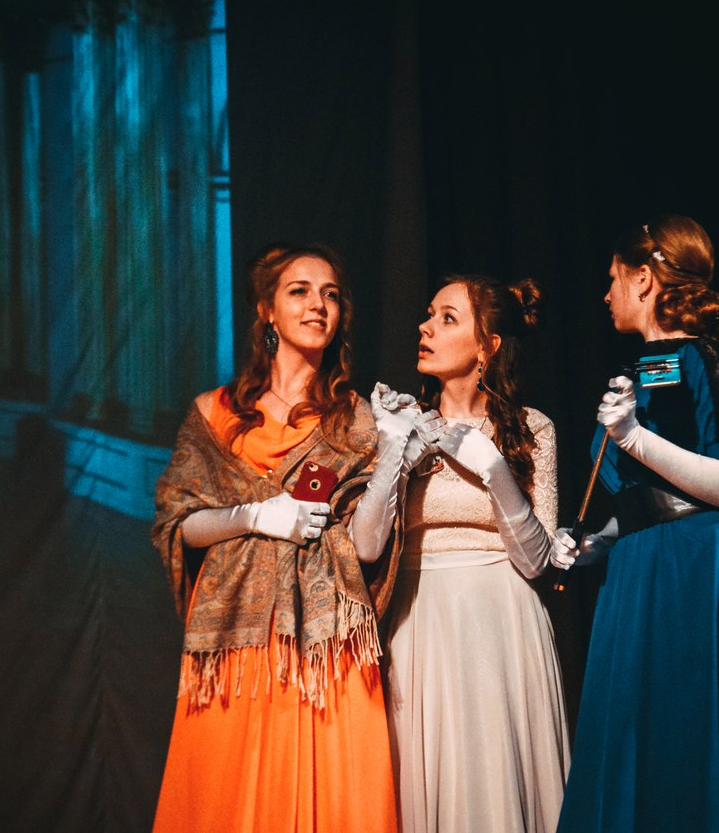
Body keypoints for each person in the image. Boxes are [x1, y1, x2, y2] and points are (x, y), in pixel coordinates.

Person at [550, 215, 719, 831]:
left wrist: (635, 437)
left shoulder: (704, 361)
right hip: (640, 570)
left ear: (643, 279)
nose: (605, 294)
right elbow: (646, 504)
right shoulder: (635, 374)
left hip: (701, 569)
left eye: (613, 278)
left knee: (689, 736)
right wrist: (595, 545)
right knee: (639, 741)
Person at [150, 243, 399, 833]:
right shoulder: (215, 414)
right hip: (238, 649)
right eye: (300, 291)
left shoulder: (357, 420)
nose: (318, 305)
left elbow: (368, 546)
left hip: (325, 646)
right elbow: (178, 523)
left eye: (330, 294)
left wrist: (393, 455)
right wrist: (254, 517)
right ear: (266, 309)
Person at [356, 274, 570, 833]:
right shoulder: (399, 425)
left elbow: (536, 560)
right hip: (420, 619)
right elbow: (365, 546)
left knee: (495, 780)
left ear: (487, 347)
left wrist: (493, 468)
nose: (425, 327)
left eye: (447, 318)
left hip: (502, 624)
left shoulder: (532, 429)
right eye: (429, 314)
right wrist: (394, 452)